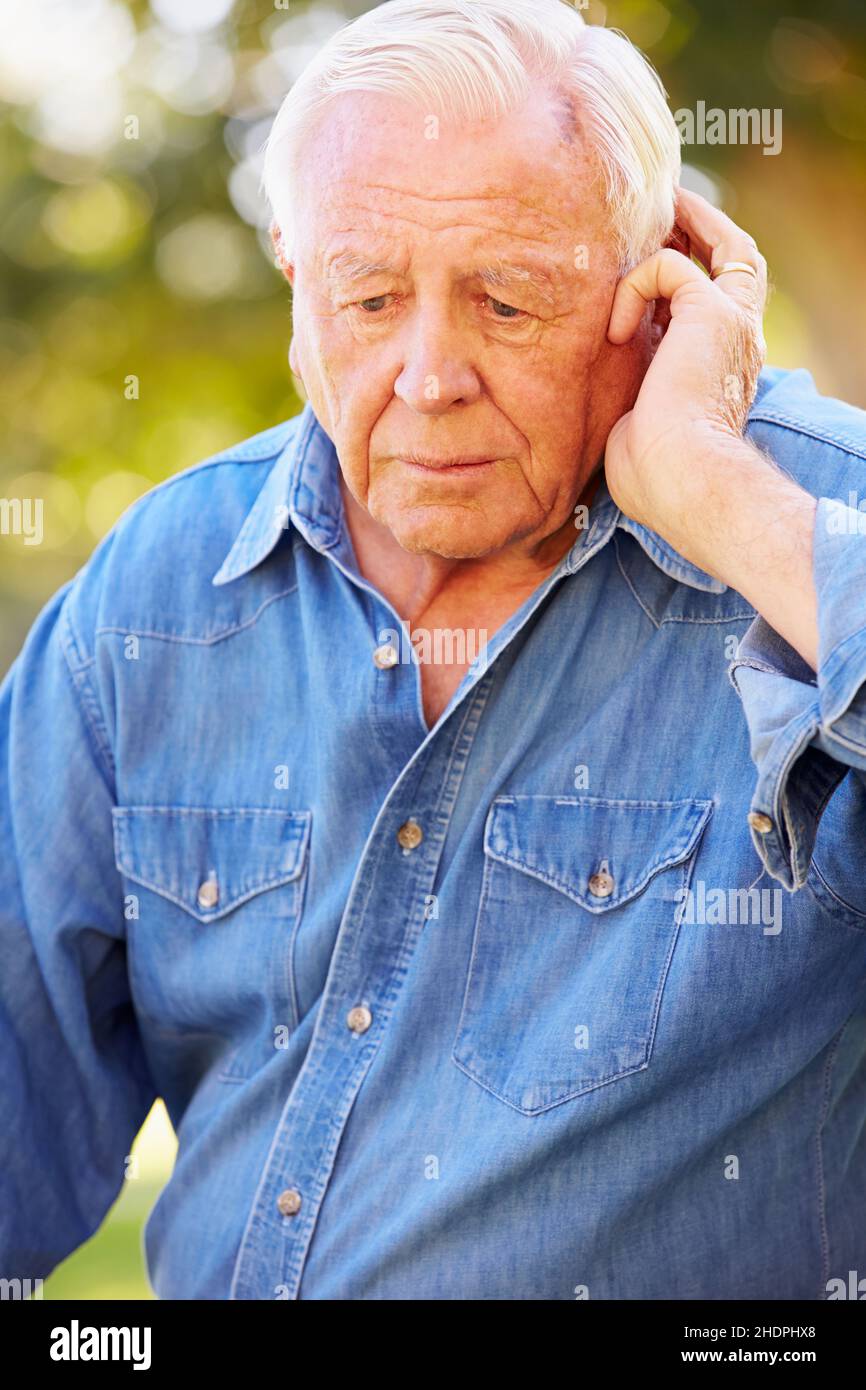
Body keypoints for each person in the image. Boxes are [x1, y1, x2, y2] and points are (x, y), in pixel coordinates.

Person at [2, 0, 865, 1300]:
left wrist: (704, 483)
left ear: (655, 296)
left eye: (507, 300)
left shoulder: (803, 529)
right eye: (366, 296)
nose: (426, 375)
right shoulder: (161, 588)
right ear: (296, 287)